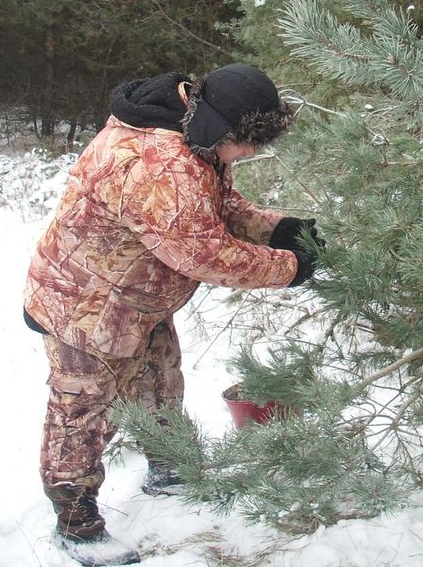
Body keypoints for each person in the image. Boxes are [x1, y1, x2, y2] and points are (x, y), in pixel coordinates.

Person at [22, 64, 321, 566]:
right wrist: (290, 267)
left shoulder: (192, 133)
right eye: (244, 142)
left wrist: (279, 228)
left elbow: (217, 207)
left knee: (160, 385)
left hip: (138, 299)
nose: (248, 153)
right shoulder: (156, 163)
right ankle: (76, 524)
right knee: (82, 415)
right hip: (86, 308)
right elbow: (202, 252)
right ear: (216, 125)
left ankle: (168, 468)